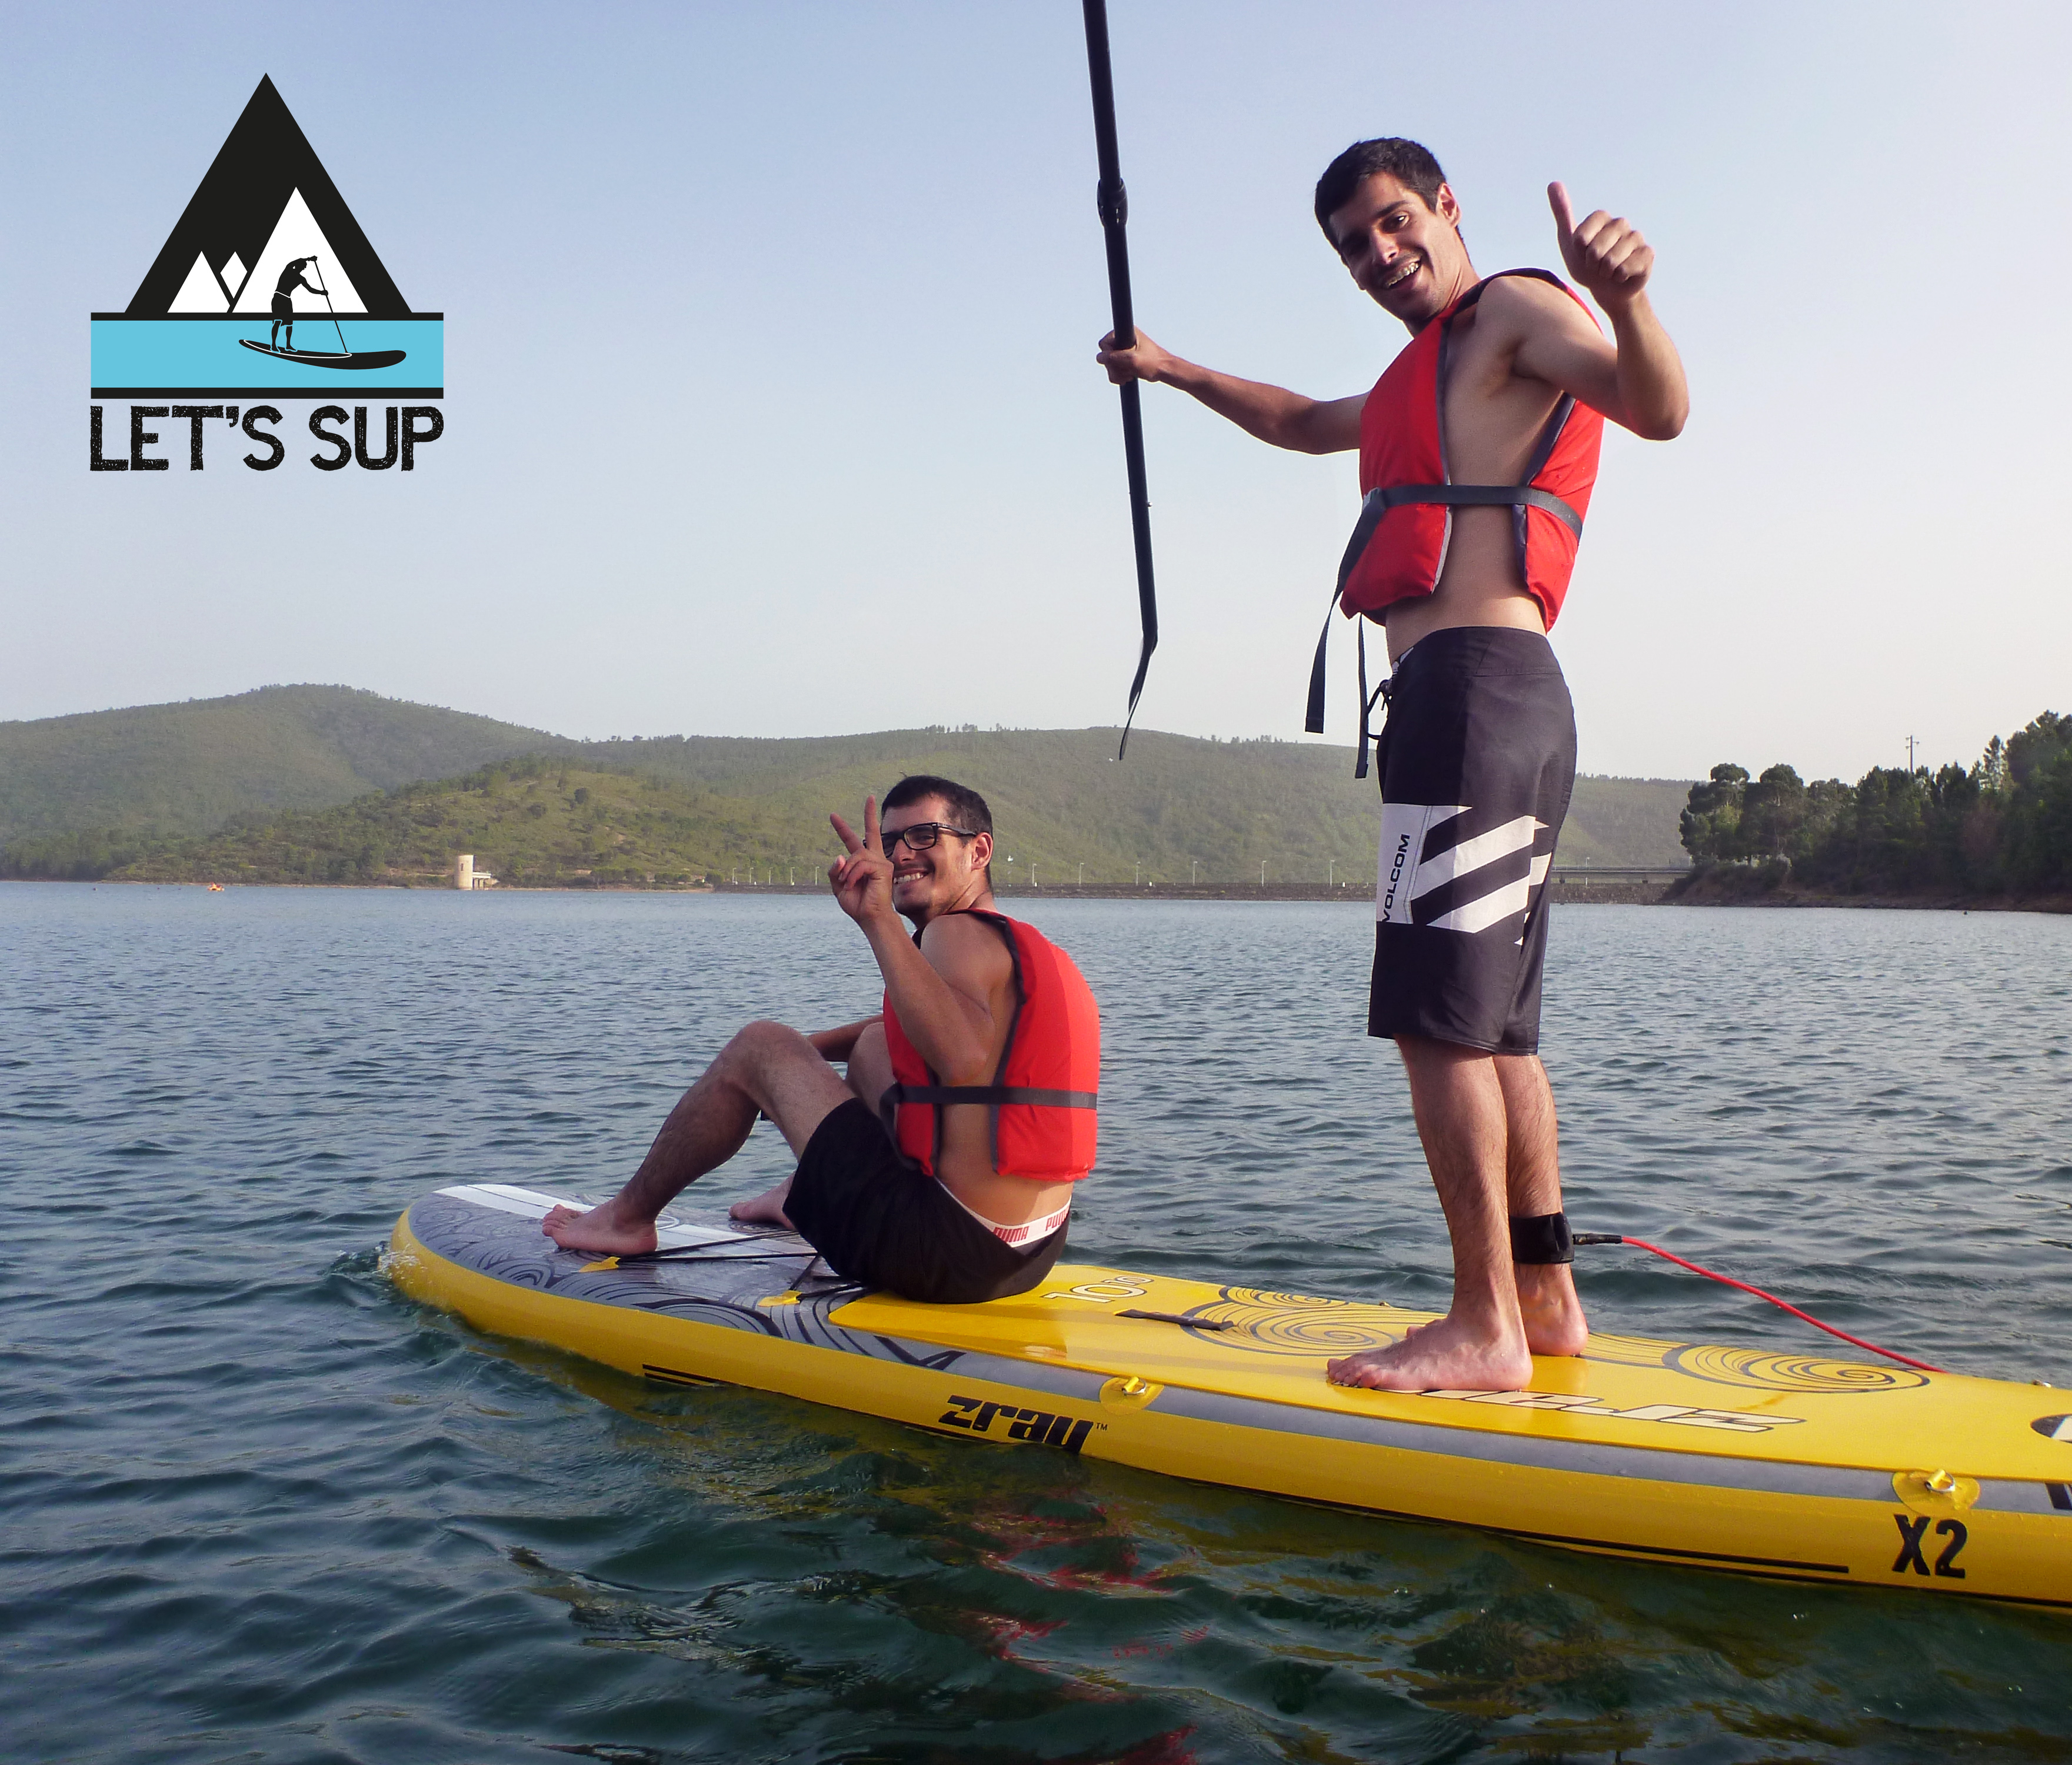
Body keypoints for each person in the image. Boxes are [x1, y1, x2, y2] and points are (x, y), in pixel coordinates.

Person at [1096, 139, 1688, 1391]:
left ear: (1445, 206)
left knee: (1436, 1027)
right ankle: (1544, 1303)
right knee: (1498, 1035)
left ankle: (1482, 1326)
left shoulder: (1513, 314)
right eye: (1352, 246)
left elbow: (1658, 409)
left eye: (1393, 221)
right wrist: (1174, 369)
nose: (1378, 254)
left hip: (1473, 696)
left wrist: (1630, 300)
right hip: (1495, 699)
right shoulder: (1422, 372)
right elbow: (1302, 423)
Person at [543, 775, 1100, 1305]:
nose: (901, 855)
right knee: (873, 1048)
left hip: (943, 1254)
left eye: (924, 836)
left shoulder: (952, 932)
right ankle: (799, 1193)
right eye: (890, 843)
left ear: (979, 851)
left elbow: (959, 1057)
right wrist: (787, 1068)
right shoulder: (1025, 949)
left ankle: (626, 1220)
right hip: (1030, 1254)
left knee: (759, 1042)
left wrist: (875, 924)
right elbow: (909, 1031)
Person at [269, 256, 327, 350]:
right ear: (297, 266)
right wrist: (308, 259)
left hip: (288, 300)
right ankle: (273, 345)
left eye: (303, 267)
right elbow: (296, 261)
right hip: (279, 298)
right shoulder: (288, 270)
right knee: (278, 321)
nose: (302, 268)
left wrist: (321, 292)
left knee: (290, 324)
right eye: (301, 266)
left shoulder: (301, 279)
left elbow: (310, 289)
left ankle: (288, 345)